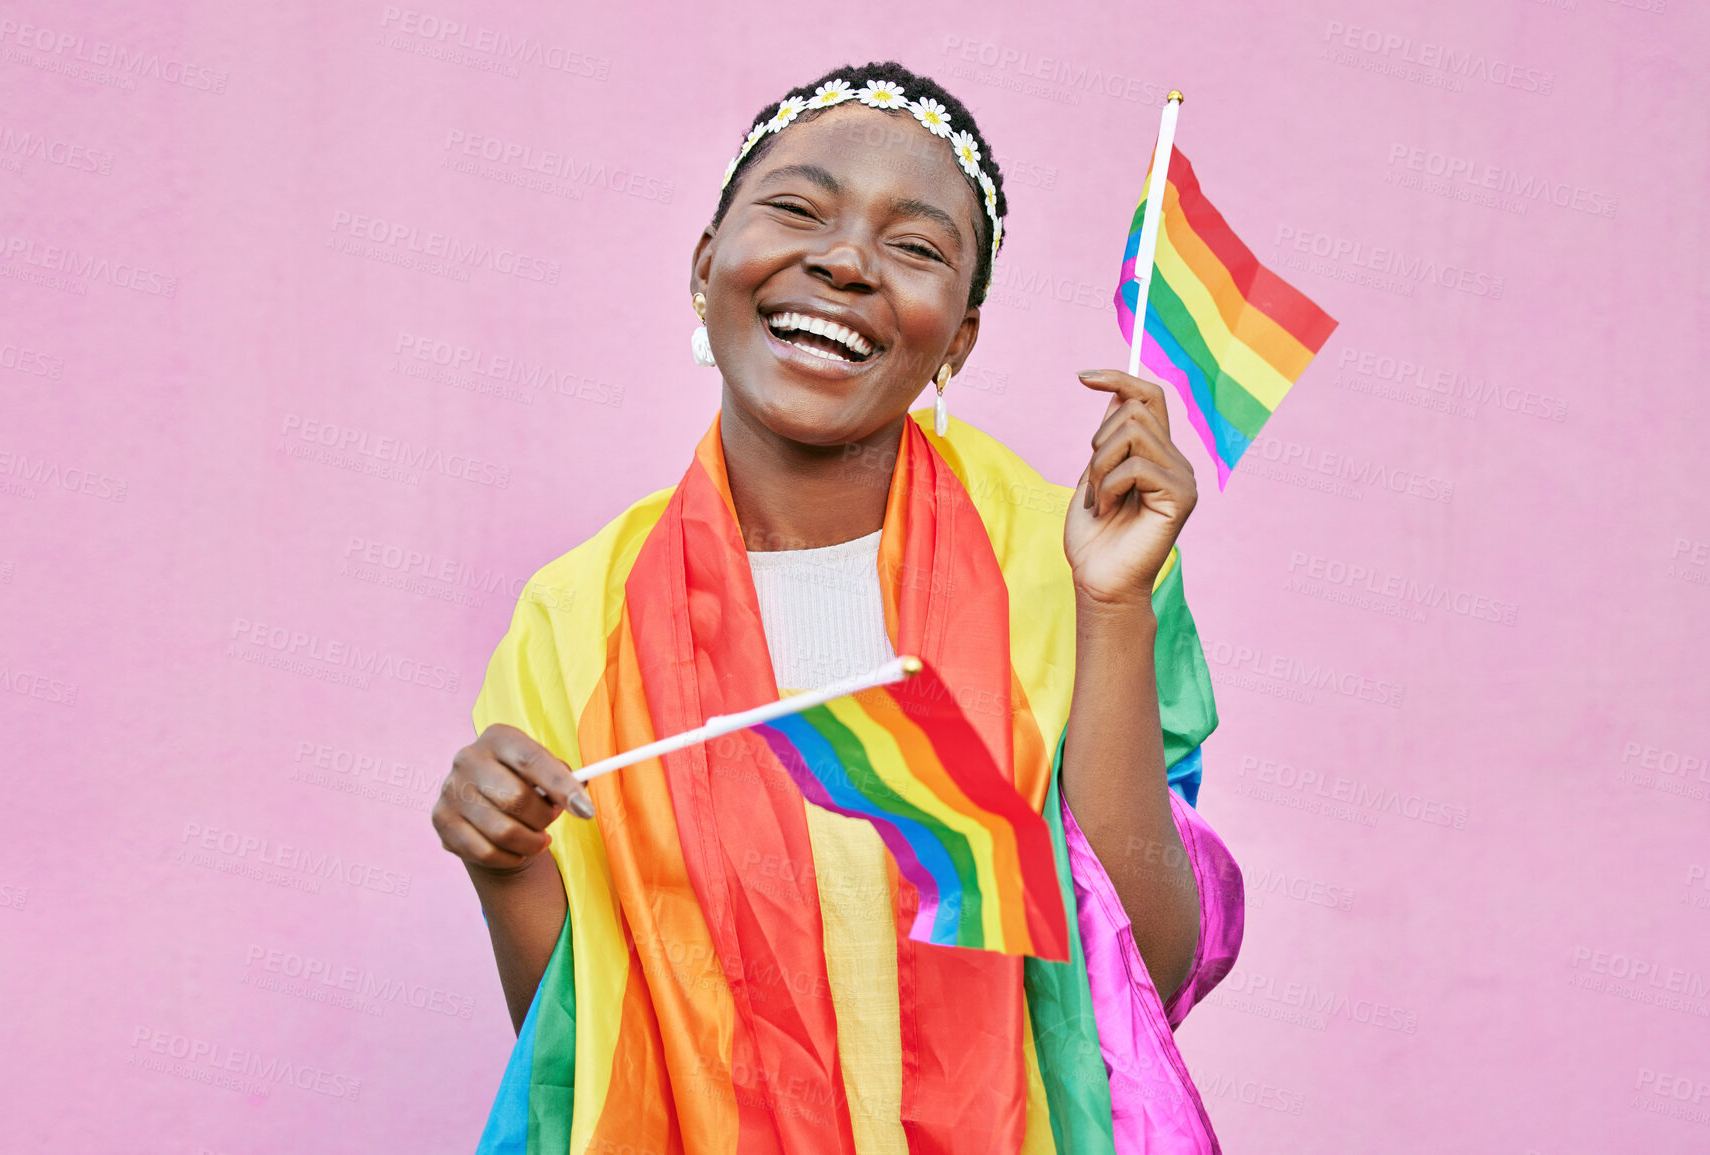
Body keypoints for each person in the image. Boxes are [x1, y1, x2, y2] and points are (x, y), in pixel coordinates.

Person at [433, 61, 1244, 1155]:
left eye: (915, 248)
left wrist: (1111, 609)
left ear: (956, 339)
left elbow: (1145, 970)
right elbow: (585, 1064)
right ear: (706, 265)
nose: (848, 260)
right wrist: (507, 864)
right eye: (798, 209)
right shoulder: (580, 617)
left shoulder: (1069, 560)